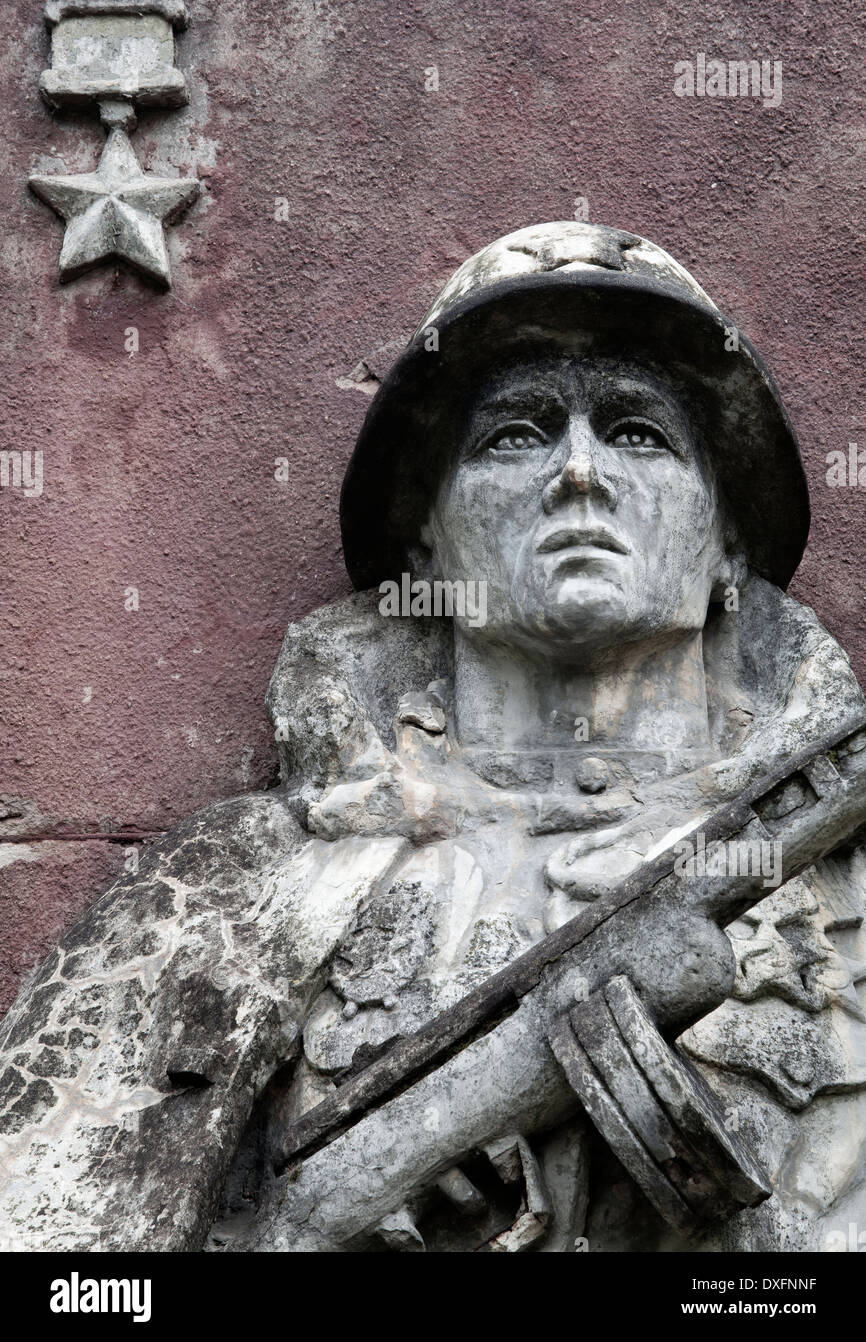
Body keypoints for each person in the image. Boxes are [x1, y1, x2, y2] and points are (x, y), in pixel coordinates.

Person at [1, 222, 864, 1252]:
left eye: (637, 431)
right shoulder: (231, 894)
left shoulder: (843, 893)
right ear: (425, 531)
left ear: (727, 539)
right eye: (515, 434)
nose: (578, 473)